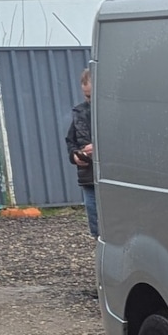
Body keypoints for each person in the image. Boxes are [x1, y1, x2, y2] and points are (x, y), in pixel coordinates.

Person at [65, 68, 96, 236]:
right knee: (96, 225)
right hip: (89, 178)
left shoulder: (118, 114)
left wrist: (98, 148)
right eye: (86, 96)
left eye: (91, 96)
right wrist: (75, 155)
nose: (89, 100)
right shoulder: (79, 113)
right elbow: (71, 141)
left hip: (112, 179)